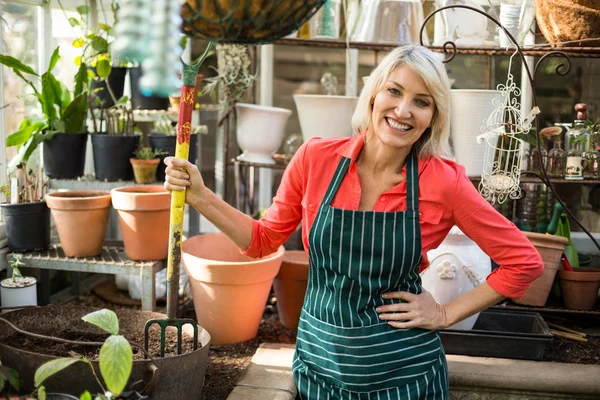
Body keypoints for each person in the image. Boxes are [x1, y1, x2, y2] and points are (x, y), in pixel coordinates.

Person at [164, 45, 544, 400]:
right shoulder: (316, 159)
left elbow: (523, 263)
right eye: (394, 91)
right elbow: (263, 240)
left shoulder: (444, 181)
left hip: (405, 378)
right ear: (374, 95)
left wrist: (444, 313)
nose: (403, 110)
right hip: (320, 374)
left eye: (421, 102)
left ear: (434, 117)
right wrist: (200, 196)